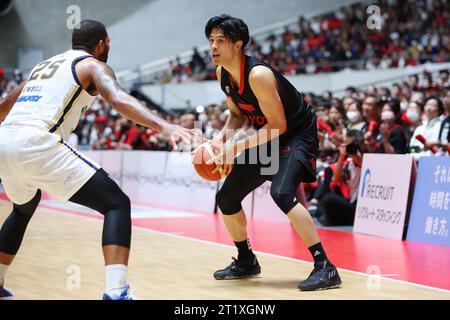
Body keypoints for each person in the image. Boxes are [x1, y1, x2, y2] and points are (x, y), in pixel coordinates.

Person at [0, 20, 192, 300]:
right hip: (37, 142)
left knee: (23, 209)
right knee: (116, 203)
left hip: (4, 141)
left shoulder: (43, 67)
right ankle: (116, 292)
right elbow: (117, 98)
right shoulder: (92, 65)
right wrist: (164, 126)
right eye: (109, 44)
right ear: (101, 43)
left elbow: (4, 107)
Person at [203, 14, 341, 291]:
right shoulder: (223, 74)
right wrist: (219, 141)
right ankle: (246, 260)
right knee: (227, 197)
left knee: (282, 193)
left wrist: (236, 147)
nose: (214, 47)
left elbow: (279, 125)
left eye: (221, 41)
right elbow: (235, 114)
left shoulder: (258, 74)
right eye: (211, 41)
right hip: (268, 136)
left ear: (238, 44)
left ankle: (325, 266)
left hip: (296, 134)